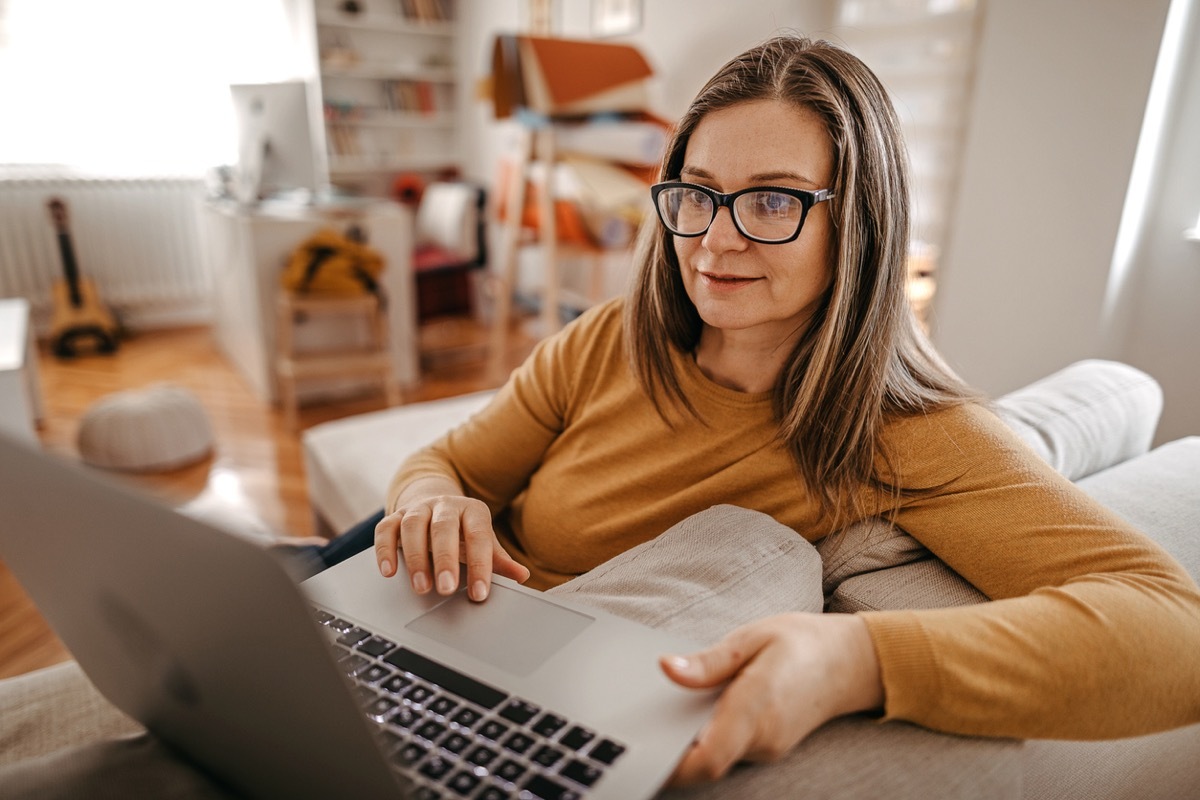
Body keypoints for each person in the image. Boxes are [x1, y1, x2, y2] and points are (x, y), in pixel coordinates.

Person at [311, 34, 1200, 787]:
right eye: (696, 192)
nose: (714, 239)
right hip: (420, 618)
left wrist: (861, 661)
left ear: (858, 223)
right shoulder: (614, 338)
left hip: (504, 715)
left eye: (772, 200)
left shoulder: (907, 434)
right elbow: (451, 462)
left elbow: (1175, 630)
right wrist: (432, 500)